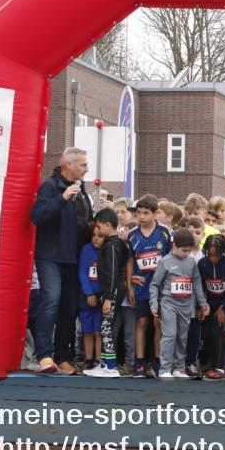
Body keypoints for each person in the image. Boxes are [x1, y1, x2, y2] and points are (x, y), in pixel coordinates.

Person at [30, 147, 93, 374]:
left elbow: (84, 223)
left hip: (75, 257)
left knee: (69, 307)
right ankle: (44, 356)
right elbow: (37, 216)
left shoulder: (82, 189)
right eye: (83, 165)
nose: (87, 169)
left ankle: (62, 356)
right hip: (52, 256)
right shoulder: (50, 186)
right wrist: (62, 198)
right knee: (50, 302)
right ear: (68, 164)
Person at [149, 227, 210, 379]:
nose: (186, 254)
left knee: (182, 336)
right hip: (168, 303)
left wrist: (203, 303)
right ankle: (164, 368)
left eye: (189, 251)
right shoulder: (164, 261)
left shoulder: (191, 262)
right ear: (174, 246)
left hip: (186, 304)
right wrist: (154, 304)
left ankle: (179, 367)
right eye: (184, 251)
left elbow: (197, 283)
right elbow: (155, 284)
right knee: (170, 335)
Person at [126, 194, 173, 378]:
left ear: (155, 213)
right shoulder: (132, 234)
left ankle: (157, 360)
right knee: (141, 322)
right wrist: (129, 284)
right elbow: (130, 260)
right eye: (138, 213)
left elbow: (170, 257)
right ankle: (139, 362)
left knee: (158, 322)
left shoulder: (164, 231)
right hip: (141, 285)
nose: (141, 216)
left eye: (146, 213)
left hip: (160, 286)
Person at [85, 209, 129, 377]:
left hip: (113, 291)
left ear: (108, 225)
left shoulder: (112, 246)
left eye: (99, 226)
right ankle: (105, 362)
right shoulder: (116, 243)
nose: (97, 230)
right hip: (113, 290)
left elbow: (112, 272)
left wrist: (109, 298)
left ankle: (110, 366)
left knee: (106, 327)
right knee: (106, 325)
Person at [196, 234, 225, 381]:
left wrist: (223, 308)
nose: (213, 258)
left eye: (216, 256)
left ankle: (219, 367)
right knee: (206, 333)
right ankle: (209, 363)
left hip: (224, 304)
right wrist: (200, 306)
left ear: (222, 252)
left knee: (217, 331)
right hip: (208, 303)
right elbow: (199, 286)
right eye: (210, 255)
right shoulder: (202, 264)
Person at [78, 224, 104, 371]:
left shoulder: (107, 250)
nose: (96, 238)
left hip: (102, 297)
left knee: (98, 330)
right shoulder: (86, 249)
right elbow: (82, 272)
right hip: (87, 295)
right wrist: (89, 293)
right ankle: (88, 359)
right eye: (94, 235)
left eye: (100, 236)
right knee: (87, 329)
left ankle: (99, 360)